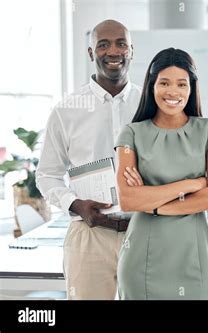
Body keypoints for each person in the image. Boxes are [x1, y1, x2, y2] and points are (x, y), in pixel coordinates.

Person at [36, 20, 141, 300]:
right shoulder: (66, 110)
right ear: (91, 53)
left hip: (146, 233)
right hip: (90, 235)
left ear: (132, 50)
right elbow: (47, 174)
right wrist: (75, 204)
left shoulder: (150, 104)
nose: (113, 51)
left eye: (121, 43)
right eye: (103, 45)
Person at [114, 47, 208, 300]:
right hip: (142, 256)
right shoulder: (131, 134)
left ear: (191, 88)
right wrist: (192, 183)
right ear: (152, 86)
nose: (173, 92)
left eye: (181, 84)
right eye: (164, 83)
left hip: (193, 254)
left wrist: (154, 205)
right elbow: (129, 200)